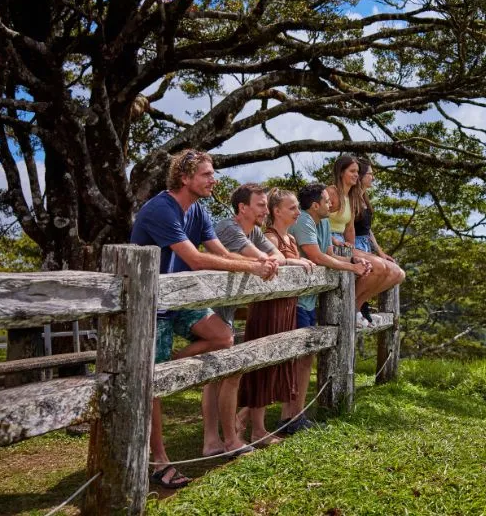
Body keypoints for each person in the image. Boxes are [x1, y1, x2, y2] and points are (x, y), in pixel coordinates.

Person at [130, 149, 278, 489]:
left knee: (223, 337)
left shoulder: (198, 210)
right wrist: (254, 268)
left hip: (180, 300)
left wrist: (256, 265)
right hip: (149, 305)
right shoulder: (161, 209)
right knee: (153, 387)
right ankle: (159, 461)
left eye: (213, 173)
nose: (214, 180)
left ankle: (167, 366)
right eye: (206, 174)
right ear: (184, 178)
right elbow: (196, 259)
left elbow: (221, 253)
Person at [211, 184, 314, 449]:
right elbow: (261, 258)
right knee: (219, 375)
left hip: (226, 310)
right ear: (242, 207)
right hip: (210, 310)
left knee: (223, 375)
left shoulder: (254, 231)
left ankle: (232, 436)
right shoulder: (229, 228)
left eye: (266, 205)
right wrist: (277, 261)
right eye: (260, 205)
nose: (265, 210)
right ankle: (225, 438)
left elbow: (274, 256)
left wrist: (281, 260)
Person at [282, 183, 371, 433]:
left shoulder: (322, 222)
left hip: (309, 300)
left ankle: (294, 415)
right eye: (326, 200)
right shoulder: (304, 222)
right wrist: (352, 268)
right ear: (315, 205)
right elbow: (316, 257)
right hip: (296, 301)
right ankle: (288, 417)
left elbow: (330, 253)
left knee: (305, 358)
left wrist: (354, 259)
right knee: (295, 359)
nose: (331, 203)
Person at [325, 154, 391, 325]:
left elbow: (350, 228)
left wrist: (354, 250)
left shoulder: (351, 197)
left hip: (344, 244)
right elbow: (317, 220)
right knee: (377, 266)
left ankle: (356, 307)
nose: (356, 175)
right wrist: (331, 238)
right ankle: (349, 309)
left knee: (378, 268)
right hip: (327, 240)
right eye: (352, 171)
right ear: (341, 172)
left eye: (357, 172)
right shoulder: (331, 192)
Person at [352, 159, 406, 322]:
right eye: (370, 174)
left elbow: (368, 229)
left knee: (398, 274)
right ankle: (353, 308)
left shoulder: (364, 197)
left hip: (365, 245)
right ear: (360, 176)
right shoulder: (351, 199)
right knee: (375, 271)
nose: (373, 177)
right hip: (353, 245)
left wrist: (380, 252)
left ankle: (358, 305)